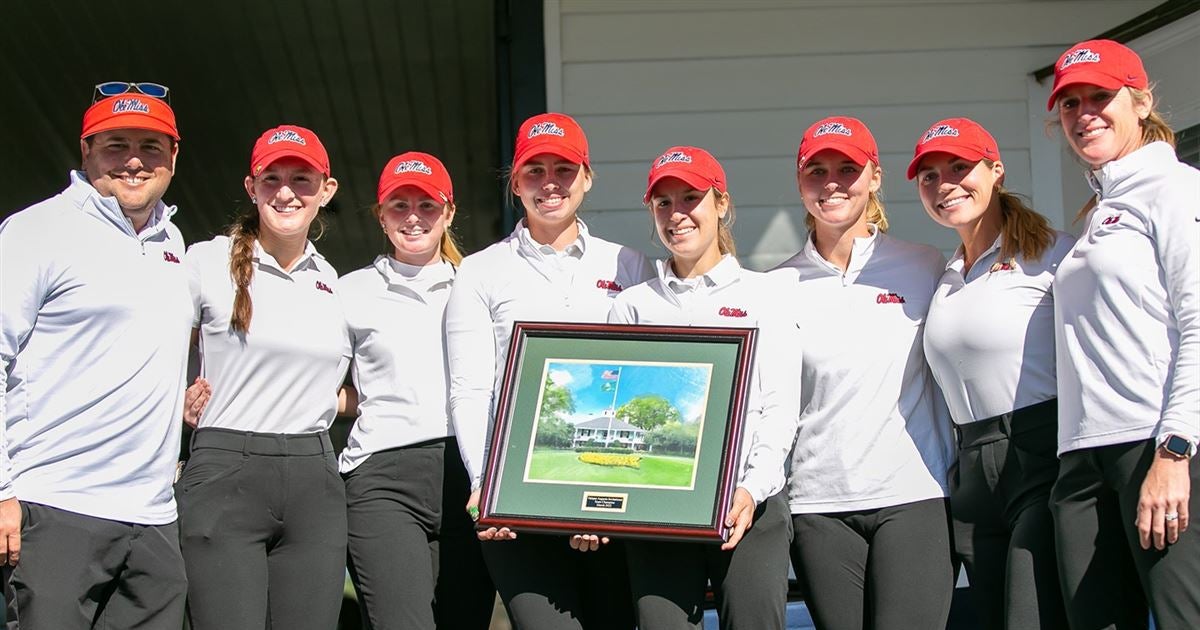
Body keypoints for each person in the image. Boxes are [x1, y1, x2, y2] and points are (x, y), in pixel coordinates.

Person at [446, 112, 651, 629]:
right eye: (534, 170)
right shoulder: (480, 270)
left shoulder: (629, 265)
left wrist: (608, 499)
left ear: (586, 177)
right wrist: (484, 485)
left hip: (608, 497)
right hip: (514, 500)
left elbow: (641, 376)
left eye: (564, 168)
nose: (550, 182)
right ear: (516, 183)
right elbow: (470, 390)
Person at [0, 85, 190, 628]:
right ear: (85, 151)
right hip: (54, 510)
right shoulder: (36, 231)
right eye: (116, 145)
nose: (134, 160)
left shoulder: (171, 242)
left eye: (151, 146)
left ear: (173, 157)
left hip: (154, 522)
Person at [601, 146, 799, 629]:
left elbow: (779, 404)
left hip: (748, 506)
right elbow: (617, 409)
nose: (677, 214)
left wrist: (752, 488)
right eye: (663, 203)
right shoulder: (631, 306)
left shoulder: (765, 294)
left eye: (691, 197)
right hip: (657, 511)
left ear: (721, 205)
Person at [774, 116, 956, 630]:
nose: (831, 183)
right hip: (818, 503)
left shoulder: (924, 266)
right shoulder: (775, 286)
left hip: (914, 494)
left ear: (875, 177)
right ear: (800, 182)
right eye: (817, 170)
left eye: (848, 168)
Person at [1046, 39, 1200, 629]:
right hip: (1084, 457)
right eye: (1070, 104)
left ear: (1140, 101)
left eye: (1100, 97)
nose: (1085, 114)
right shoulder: (1100, 209)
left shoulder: (1174, 188)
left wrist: (1175, 450)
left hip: (1155, 447)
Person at [178, 125, 351, 630]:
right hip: (226, 468)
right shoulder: (204, 262)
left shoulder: (333, 282)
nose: (285, 191)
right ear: (251, 188)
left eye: (301, 178)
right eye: (271, 178)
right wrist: (176, 399)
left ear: (327, 189)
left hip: (314, 476)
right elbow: (152, 349)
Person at [909, 117, 1074, 629]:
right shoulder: (945, 276)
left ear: (996, 171)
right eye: (930, 176)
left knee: (1032, 615)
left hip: (1040, 455)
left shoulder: (1053, 255)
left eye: (960, 167)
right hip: (972, 470)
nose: (945, 185)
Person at [338, 151, 493, 629]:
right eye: (399, 205)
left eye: (427, 205)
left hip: (468, 474)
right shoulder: (348, 290)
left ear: (448, 213)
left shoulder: (479, 284)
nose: (413, 217)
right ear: (381, 216)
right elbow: (325, 388)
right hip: (382, 477)